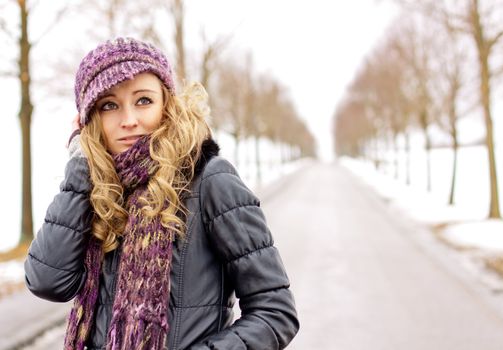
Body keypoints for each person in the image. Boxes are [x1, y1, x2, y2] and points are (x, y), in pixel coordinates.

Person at [24, 37, 299, 350]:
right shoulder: (98, 189)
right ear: (90, 119)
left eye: (143, 100)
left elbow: (275, 312)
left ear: (166, 104)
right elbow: (47, 281)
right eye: (109, 105)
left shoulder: (210, 179)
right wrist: (81, 162)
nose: (129, 120)